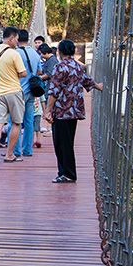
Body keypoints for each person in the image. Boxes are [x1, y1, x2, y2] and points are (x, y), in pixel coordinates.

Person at [45, 39, 103, 183]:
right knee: (67, 142)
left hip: (62, 111)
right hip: (74, 111)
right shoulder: (78, 66)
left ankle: (68, 174)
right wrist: (98, 86)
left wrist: (48, 110)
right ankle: (65, 172)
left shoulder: (60, 67)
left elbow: (54, 91)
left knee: (60, 143)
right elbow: (87, 81)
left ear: (59, 51)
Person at [0, 27, 28, 164]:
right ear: (11, 38)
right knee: (16, 123)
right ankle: (9, 154)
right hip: (14, 92)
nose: (17, 41)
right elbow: (23, 73)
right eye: (16, 39)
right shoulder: (15, 54)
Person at [13, 29, 42, 158]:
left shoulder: (14, 54)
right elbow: (39, 72)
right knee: (29, 121)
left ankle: (15, 151)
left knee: (15, 122)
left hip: (18, 91)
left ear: (17, 38)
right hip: (31, 92)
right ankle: (27, 150)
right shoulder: (36, 54)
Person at [36, 43, 57, 140]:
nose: (41, 56)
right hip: (48, 87)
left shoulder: (52, 60)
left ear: (46, 52)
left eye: (41, 54)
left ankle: (50, 129)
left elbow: (49, 74)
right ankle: (49, 128)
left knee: (50, 107)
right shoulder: (49, 60)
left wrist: (38, 79)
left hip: (50, 88)